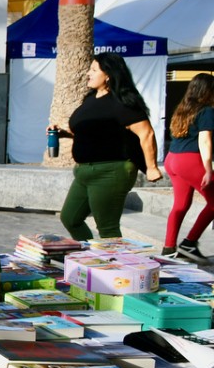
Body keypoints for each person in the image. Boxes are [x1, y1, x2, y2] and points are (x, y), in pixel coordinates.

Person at [49, 52, 164, 240]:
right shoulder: (91, 98)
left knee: (107, 228)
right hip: (84, 172)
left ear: (109, 74)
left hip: (111, 171)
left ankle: (114, 266)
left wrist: (151, 168)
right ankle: (91, 258)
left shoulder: (122, 103)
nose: (88, 73)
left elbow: (146, 133)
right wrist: (65, 133)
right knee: (70, 219)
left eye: (94, 70)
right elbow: (98, 132)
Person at [163, 73, 214, 264]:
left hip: (172, 159)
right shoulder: (206, 111)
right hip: (190, 160)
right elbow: (204, 140)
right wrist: (208, 169)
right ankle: (189, 243)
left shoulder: (182, 110)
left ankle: (168, 248)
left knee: (181, 205)